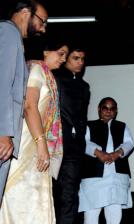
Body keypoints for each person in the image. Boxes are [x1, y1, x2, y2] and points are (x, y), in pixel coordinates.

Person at [0, 41, 68, 223]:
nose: (64, 59)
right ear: (45, 50)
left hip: (36, 143)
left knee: (36, 197)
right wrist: (41, 144)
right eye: (61, 53)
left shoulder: (45, 73)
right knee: (22, 195)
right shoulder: (36, 70)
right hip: (29, 143)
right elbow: (29, 107)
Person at [0, 0, 47, 205]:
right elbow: (2, 82)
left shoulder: (13, 38)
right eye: (42, 21)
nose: (43, 29)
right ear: (26, 12)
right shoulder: (8, 32)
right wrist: (3, 132)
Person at [78, 97, 134, 224]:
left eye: (112, 108)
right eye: (105, 108)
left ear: (116, 111)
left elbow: (129, 143)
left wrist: (117, 153)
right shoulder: (89, 125)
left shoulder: (122, 126)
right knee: (91, 214)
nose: (109, 111)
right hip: (93, 176)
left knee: (114, 214)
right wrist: (98, 153)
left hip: (116, 176)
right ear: (99, 109)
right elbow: (82, 142)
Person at [53, 46, 90, 224]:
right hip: (53, 143)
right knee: (51, 192)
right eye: (76, 58)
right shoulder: (54, 79)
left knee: (70, 194)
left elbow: (83, 117)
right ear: (66, 59)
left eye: (82, 59)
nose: (80, 63)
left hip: (74, 148)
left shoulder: (84, 87)